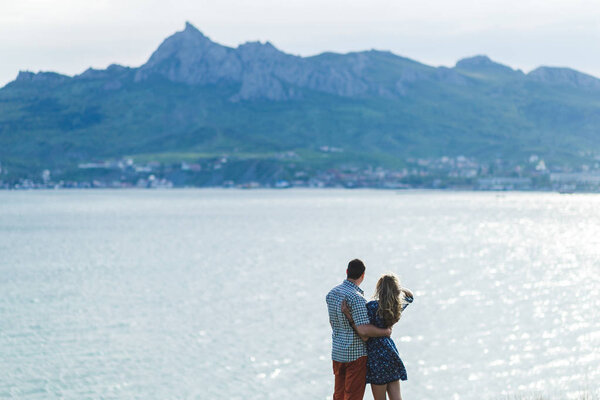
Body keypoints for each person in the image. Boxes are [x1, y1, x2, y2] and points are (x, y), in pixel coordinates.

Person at [326, 259, 394, 400]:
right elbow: (364, 332)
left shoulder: (331, 294)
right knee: (353, 396)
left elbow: (333, 323)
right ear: (363, 275)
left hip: (338, 352)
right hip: (355, 355)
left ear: (347, 272)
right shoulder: (357, 299)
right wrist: (385, 332)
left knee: (339, 395)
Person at [341, 273, 413, 400]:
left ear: (379, 289)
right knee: (397, 398)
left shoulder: (372, 307)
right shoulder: (395, 307)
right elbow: (410, 296)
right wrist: (397, 290)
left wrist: (349, 316)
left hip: (376, 359)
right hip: (391, 354)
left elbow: (364, 332)